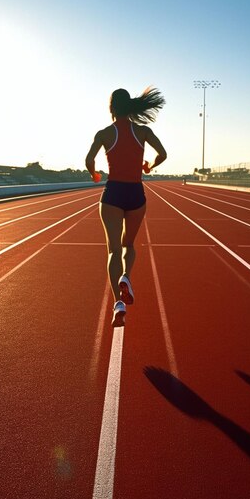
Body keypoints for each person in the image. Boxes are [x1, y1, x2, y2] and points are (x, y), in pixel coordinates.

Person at [85, 86, 167, 326]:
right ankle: (126, 277)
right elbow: (162, 153)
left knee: (112, 250)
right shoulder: (143, 131)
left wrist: (94, 174)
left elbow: (89, 159)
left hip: (113, 193)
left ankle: (118, 303)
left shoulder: (104, 133)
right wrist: (150, 166)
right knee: (128, 245)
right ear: (130, 106)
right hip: (135, 193)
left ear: (111, 108)